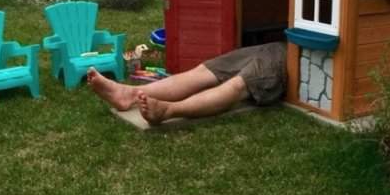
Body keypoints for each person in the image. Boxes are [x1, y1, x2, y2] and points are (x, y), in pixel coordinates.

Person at [87, 41, 287, 125]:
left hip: (287, 55)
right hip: (273, 46)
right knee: (203, 71)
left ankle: (169, 110)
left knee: (237, 85)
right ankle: (128, 94)